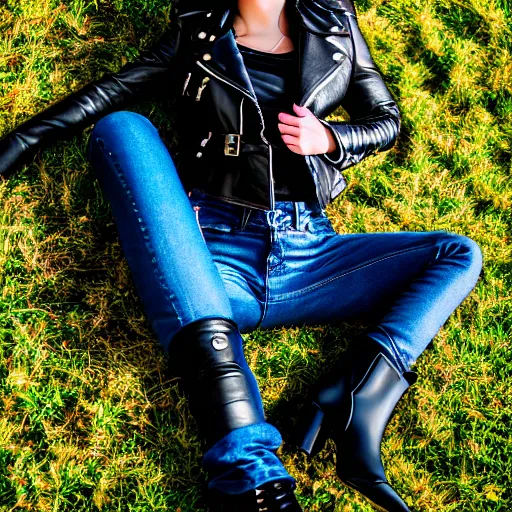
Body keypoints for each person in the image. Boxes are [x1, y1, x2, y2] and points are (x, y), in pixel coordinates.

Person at [0, 0, 483, 510]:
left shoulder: (334, 24)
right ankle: (251, 481)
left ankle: (356, 399)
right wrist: (12, 147)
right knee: (124, 128)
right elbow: (107, 93)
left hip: (310, 254)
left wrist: (332, 137)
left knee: (456, 254)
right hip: (212, 259)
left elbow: (386, 119)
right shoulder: (196, 34)